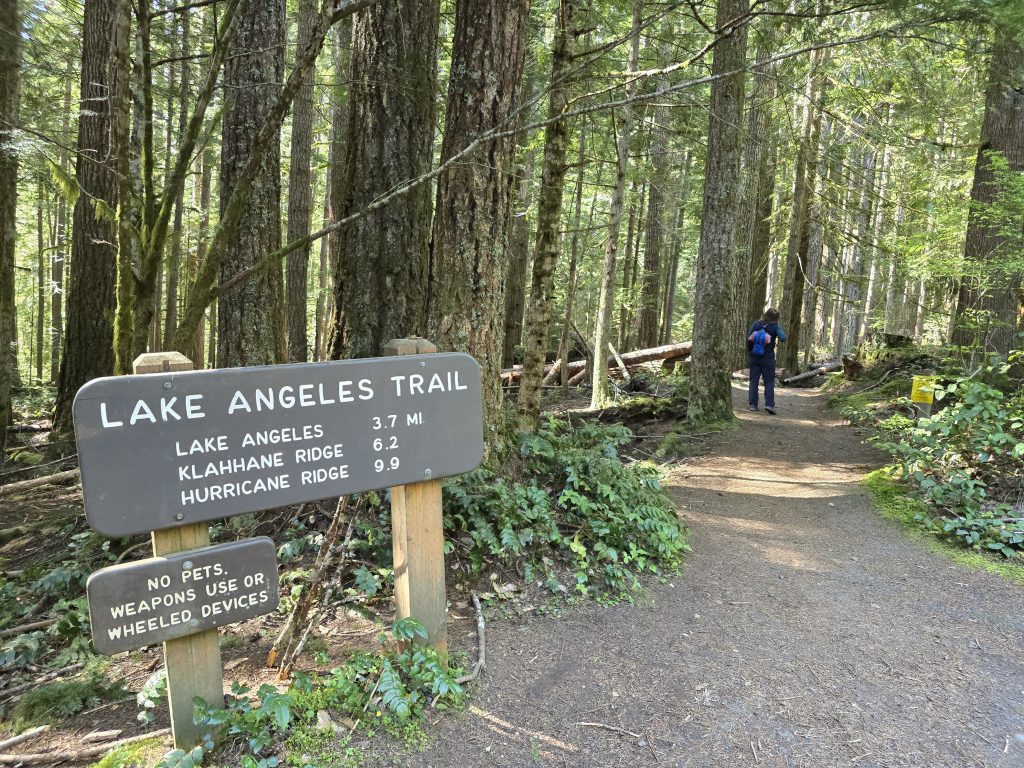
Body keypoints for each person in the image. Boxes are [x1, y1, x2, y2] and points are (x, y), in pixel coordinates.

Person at [747, 307, 786, 414]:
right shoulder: (775, 326)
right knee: (769, 381)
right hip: (768, 359)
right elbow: (783, 338)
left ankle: (753, 405)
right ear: (776, 318)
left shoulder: (756, 324)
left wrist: (751, 352)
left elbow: (748, 339)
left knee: (753, 381)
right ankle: (769, 405)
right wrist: (777, 329)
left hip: (754, 357)